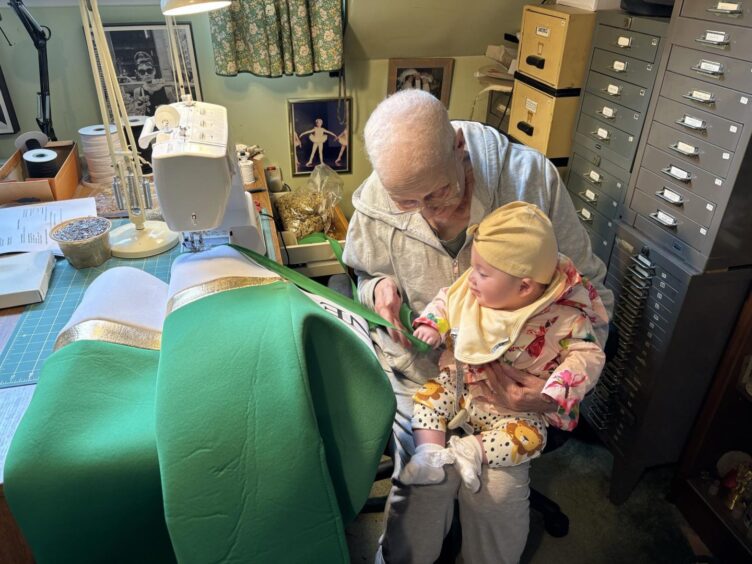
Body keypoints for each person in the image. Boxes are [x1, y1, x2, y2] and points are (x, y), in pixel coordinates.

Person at [342, 88, 613, 564]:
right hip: (427, 374)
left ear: (459, 147)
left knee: (499, 496)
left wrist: (549, 391)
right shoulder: (375, 201)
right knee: (420, 489)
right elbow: (360, 275)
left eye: (440, 192)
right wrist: (378, 288)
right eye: (409, 202)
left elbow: (589, 293)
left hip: (515, 385)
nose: (431, 212)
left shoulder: (530, 180)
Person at [400, 202, 607, 499]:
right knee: (427, 401)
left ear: (524, 288)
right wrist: (433, 325)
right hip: (463, 383)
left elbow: (588, 355)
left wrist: (558, 385)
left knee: (529, 440)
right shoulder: (471, 290)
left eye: (482, 273)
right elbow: (449, 299)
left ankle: (471, 452)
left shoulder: (565, 317)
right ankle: (429, 456)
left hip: (518, 410)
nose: (471, 278)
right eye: (473, 267)